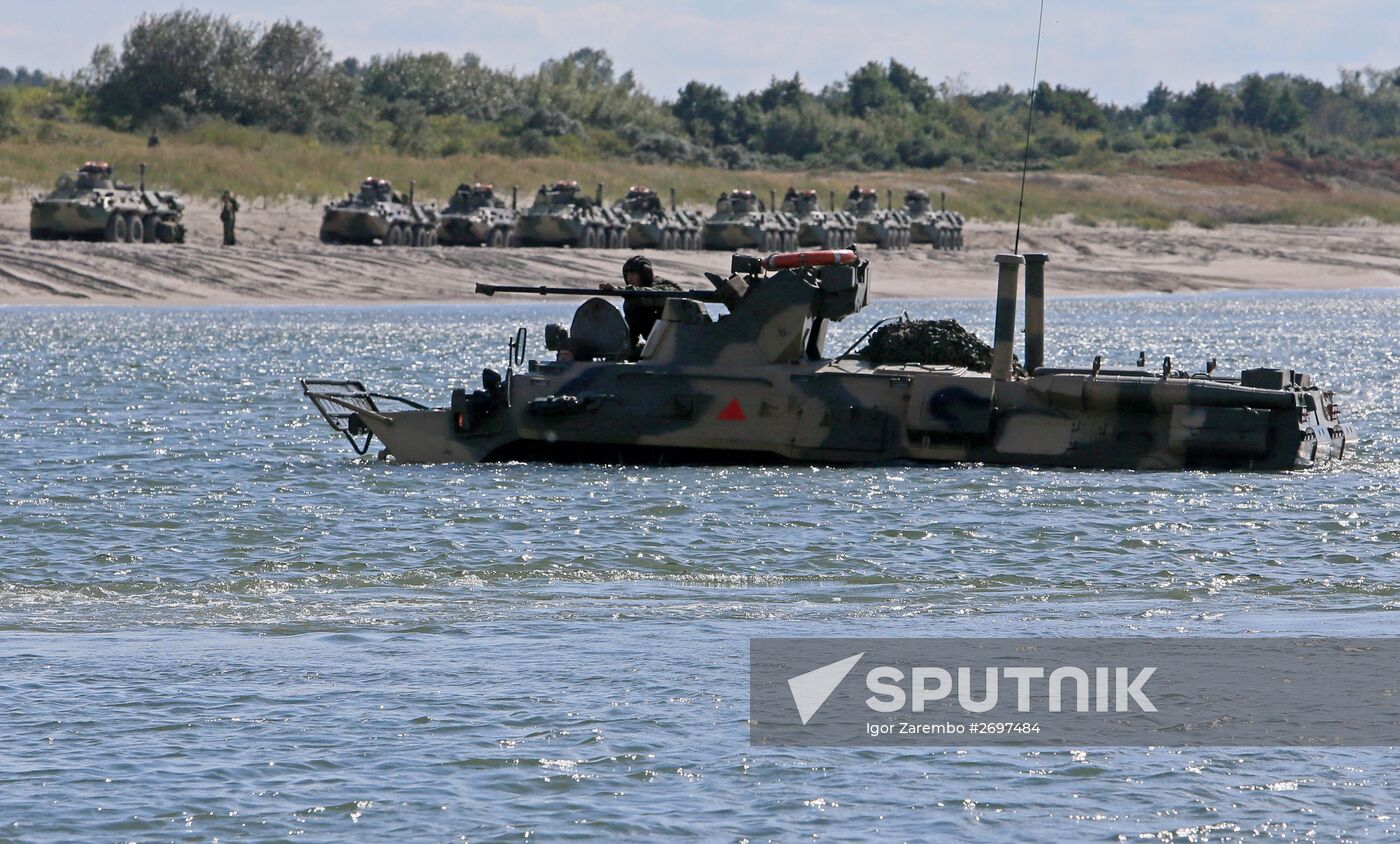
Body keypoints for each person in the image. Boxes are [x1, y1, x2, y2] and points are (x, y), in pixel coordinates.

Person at [601, 255, 681, 348]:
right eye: (627, 275)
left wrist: (620, 289)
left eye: (633, 275)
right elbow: (631, 328)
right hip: (655, 347)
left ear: (644, 275)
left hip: (675, 344)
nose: (629, 279)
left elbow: (652, 295)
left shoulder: (666, 287)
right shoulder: (633, 298)